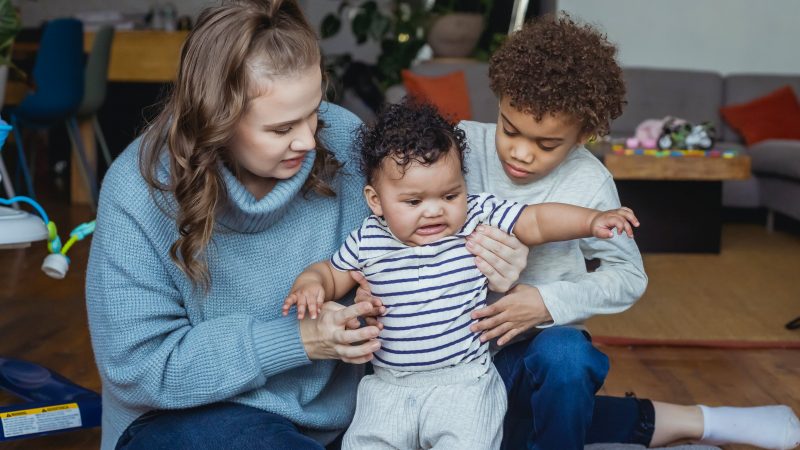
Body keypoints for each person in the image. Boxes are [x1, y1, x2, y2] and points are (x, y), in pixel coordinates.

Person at [84, 1, 526, 449]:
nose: (308, 139)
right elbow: (139, 370)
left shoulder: (341, 136)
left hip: (344, 419)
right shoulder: (139, 190)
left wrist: (492, 267)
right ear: (216, 118)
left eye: (313, 110)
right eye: (280, 129)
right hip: (187, 419)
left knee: (540, 369)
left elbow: (411, 249)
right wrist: (297, 339)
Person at [453, 13, 800, 450]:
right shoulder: (460, 145)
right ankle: (696, 422)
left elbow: (628, 276)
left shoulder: (590, 181)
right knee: (509, 429)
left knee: (565, 356)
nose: (520, 154)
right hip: (447, 360)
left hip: (528, 362)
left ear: (585, 135)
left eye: (547, 145)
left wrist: (547, 302)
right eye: (509, 129)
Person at [282, 100, 639, 450]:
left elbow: (537, 220)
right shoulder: (368, 237)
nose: (435, 211)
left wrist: (591, 221)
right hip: (388, 388)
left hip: (464, 383)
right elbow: (332, 273)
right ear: (376, 201)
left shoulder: (475, 215)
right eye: (413, 202)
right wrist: (311, 284)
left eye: (450, 195)